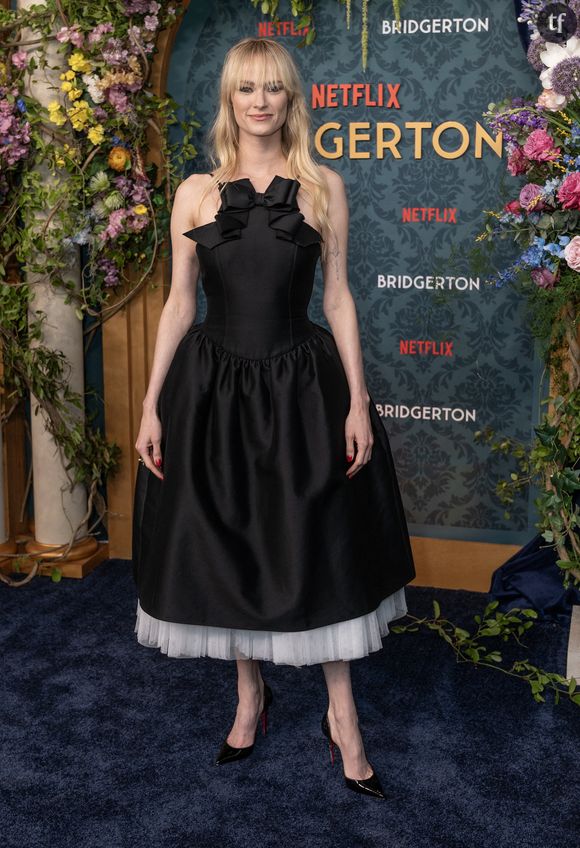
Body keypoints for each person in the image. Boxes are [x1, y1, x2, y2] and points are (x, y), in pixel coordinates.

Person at [132, 36, 416, 800]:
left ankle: (342, 717)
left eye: (274, 89)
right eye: (246, 89)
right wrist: (152, 402)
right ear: (229, 99)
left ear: (292, 99)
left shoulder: (322, 184)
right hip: (212, 389)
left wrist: (357, 400)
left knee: (314, 543)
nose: (260, 102)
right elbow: (180, 303)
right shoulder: (195, 192)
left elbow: (338, 299)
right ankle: (249, 695)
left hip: (302, 386)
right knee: (231, 542)